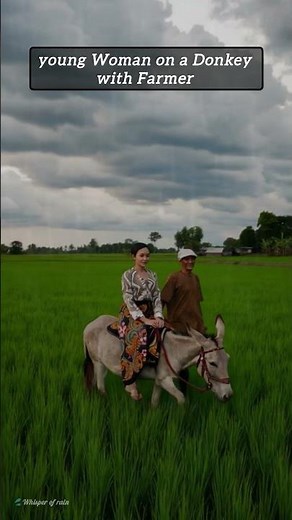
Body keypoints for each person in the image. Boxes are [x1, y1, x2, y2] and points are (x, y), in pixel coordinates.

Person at [118, 242, 164, 400]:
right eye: (141, 255)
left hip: (150, 310)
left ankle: (156, 366)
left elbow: (157, 296)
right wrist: (144, 319)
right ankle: (130, 381)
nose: (145, 258)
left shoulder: (153, 275)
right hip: (132, 312)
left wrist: (158, 316)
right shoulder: (127, 275)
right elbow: (128, 299)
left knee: (165, 331)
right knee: (138, 333)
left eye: (147, 255)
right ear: (134, 257)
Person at [161, 248, 207, 395]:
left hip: (195, 328)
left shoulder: (196, 278)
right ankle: (182, 393)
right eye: (186, 259)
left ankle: (189, 390)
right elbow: (162, 300)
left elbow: (196, 303)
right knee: (182, 364)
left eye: (192, 259)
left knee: (201, 359)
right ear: (180, 261)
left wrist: (201, 324)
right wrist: (161, 320)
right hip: (178, 327)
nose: (190, 262)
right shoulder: (174, 278)